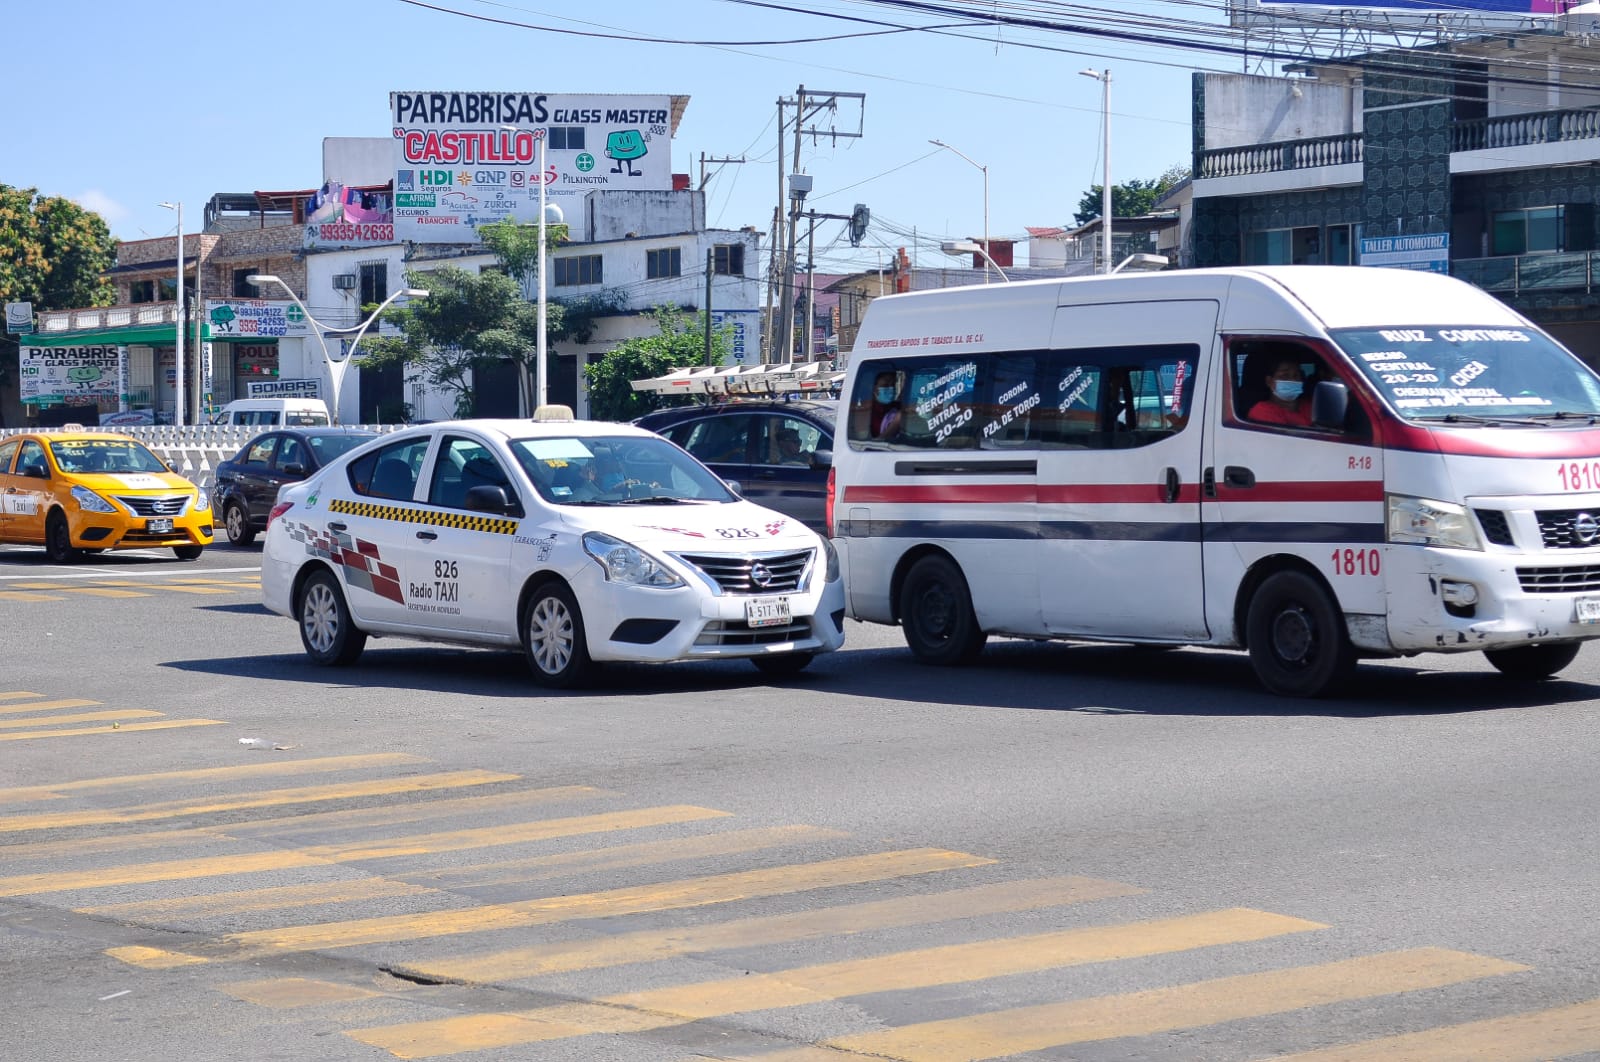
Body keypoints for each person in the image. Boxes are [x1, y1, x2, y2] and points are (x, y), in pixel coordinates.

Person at [1249, 356, 1314, 427]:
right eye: (1285, 376)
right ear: (1269, 381)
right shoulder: (1262, 411)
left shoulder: (1310, 406)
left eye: (1296, 375)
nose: (1293, 380)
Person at [868, 371, 904, 439]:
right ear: (874, 388)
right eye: (885, 385)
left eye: (893, 385)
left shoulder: (895, 406)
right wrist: (896, 423)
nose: (891, 388)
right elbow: (873, 443)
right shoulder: (867, 413)